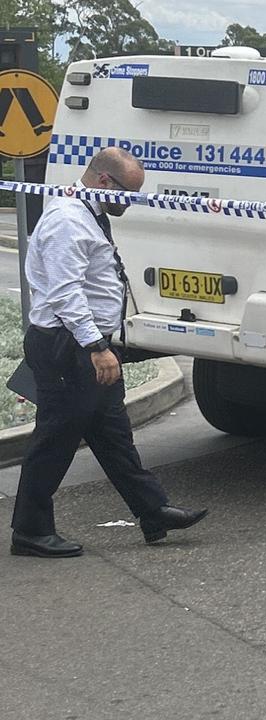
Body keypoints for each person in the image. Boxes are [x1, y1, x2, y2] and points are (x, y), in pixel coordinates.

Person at [10, 147, 208, 558]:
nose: (129, 202)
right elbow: (65, 293)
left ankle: (153, 512)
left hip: (84, 345)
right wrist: (96, 347)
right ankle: (30, 530)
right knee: (55, 439)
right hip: (69, 347)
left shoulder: (88, 213)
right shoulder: (68, 221)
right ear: (104, 181)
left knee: (113, 435)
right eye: (128, 193)